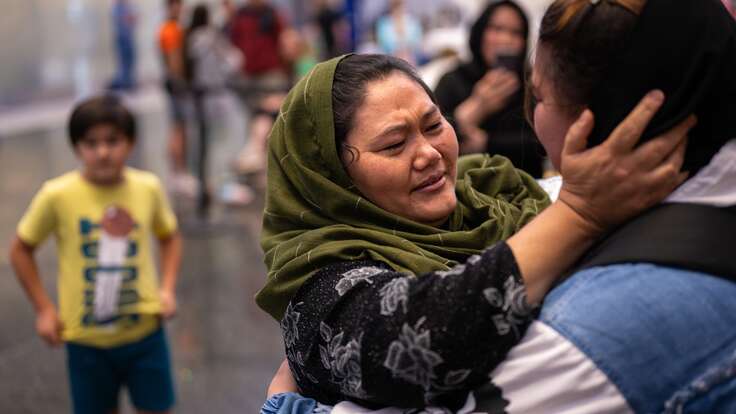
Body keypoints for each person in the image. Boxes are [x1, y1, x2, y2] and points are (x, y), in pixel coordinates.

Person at [277, 0, 736, 412]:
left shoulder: (500, 192)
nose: (430, 154)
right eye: (394, 144)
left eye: (435, 124)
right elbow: (416, 343)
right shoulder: (323, 290)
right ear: (331, 178)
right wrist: (579, 214)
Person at [9, 95, 182, 414]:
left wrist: (167, 289)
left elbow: (169, 236)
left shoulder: (147, 187)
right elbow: (20, 249)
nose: (103, 152)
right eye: (91, 143)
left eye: (113, 141)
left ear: (130, 143)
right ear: (77, 147)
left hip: (145, 334)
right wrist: (44, 309)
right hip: (86, 342)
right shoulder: (57, 195)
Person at [434, 1, 545, 178]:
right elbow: (432, 140)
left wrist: (488, 142)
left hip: (523, 184)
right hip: (465, 185)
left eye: (516, 33)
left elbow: (542, 143)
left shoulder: (533, 81)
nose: (505, 39)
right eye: (497, 29)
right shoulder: (453, 79)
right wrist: (476, 107)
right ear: (480, 32)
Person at [158, 0, 198, 197]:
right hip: (176, 84)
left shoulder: (170, 28)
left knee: (179, 127)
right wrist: (182, 82)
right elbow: (174, 60)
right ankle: (179, 171)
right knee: (179, 128)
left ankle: (178, 171)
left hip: (174, 84)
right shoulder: (171, 30)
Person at [375, 0, 424, 65]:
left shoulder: (413, 21)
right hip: (391, 60)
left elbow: (418, 43)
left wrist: (407, 52)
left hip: (412, 59)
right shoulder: (383, 23)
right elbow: (382, 45)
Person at [109, 0, 138, 90]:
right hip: (122, 38)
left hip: (128, 37)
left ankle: (128, 82)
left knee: (130, 60)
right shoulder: (117, 7)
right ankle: (124, 83)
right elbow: (125, 19)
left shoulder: (127, 5)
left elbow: (133, 19)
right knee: (123, 62)